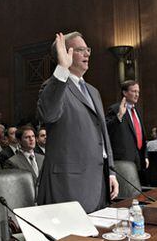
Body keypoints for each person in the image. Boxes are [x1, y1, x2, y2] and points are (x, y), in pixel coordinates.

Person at [37, 32, 118, 213]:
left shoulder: (93, 91)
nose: (87, 54)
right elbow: (48, 114)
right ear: (64, 54)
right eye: (80, 50)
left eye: (87, 49)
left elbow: (102, 134)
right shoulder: (53, 86)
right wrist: (62, 70)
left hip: (99, 182)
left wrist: (111, 171)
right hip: (68, 186)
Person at [106, 80, 149, 182]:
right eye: (134, 91)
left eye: (138, 92)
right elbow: (106, 129)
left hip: (138, 160)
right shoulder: (115, 109)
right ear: (125, 93)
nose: (137, 94)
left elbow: (141, 135)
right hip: (123, 161)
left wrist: (145, 155)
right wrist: (119, 116)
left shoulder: (137, 110)